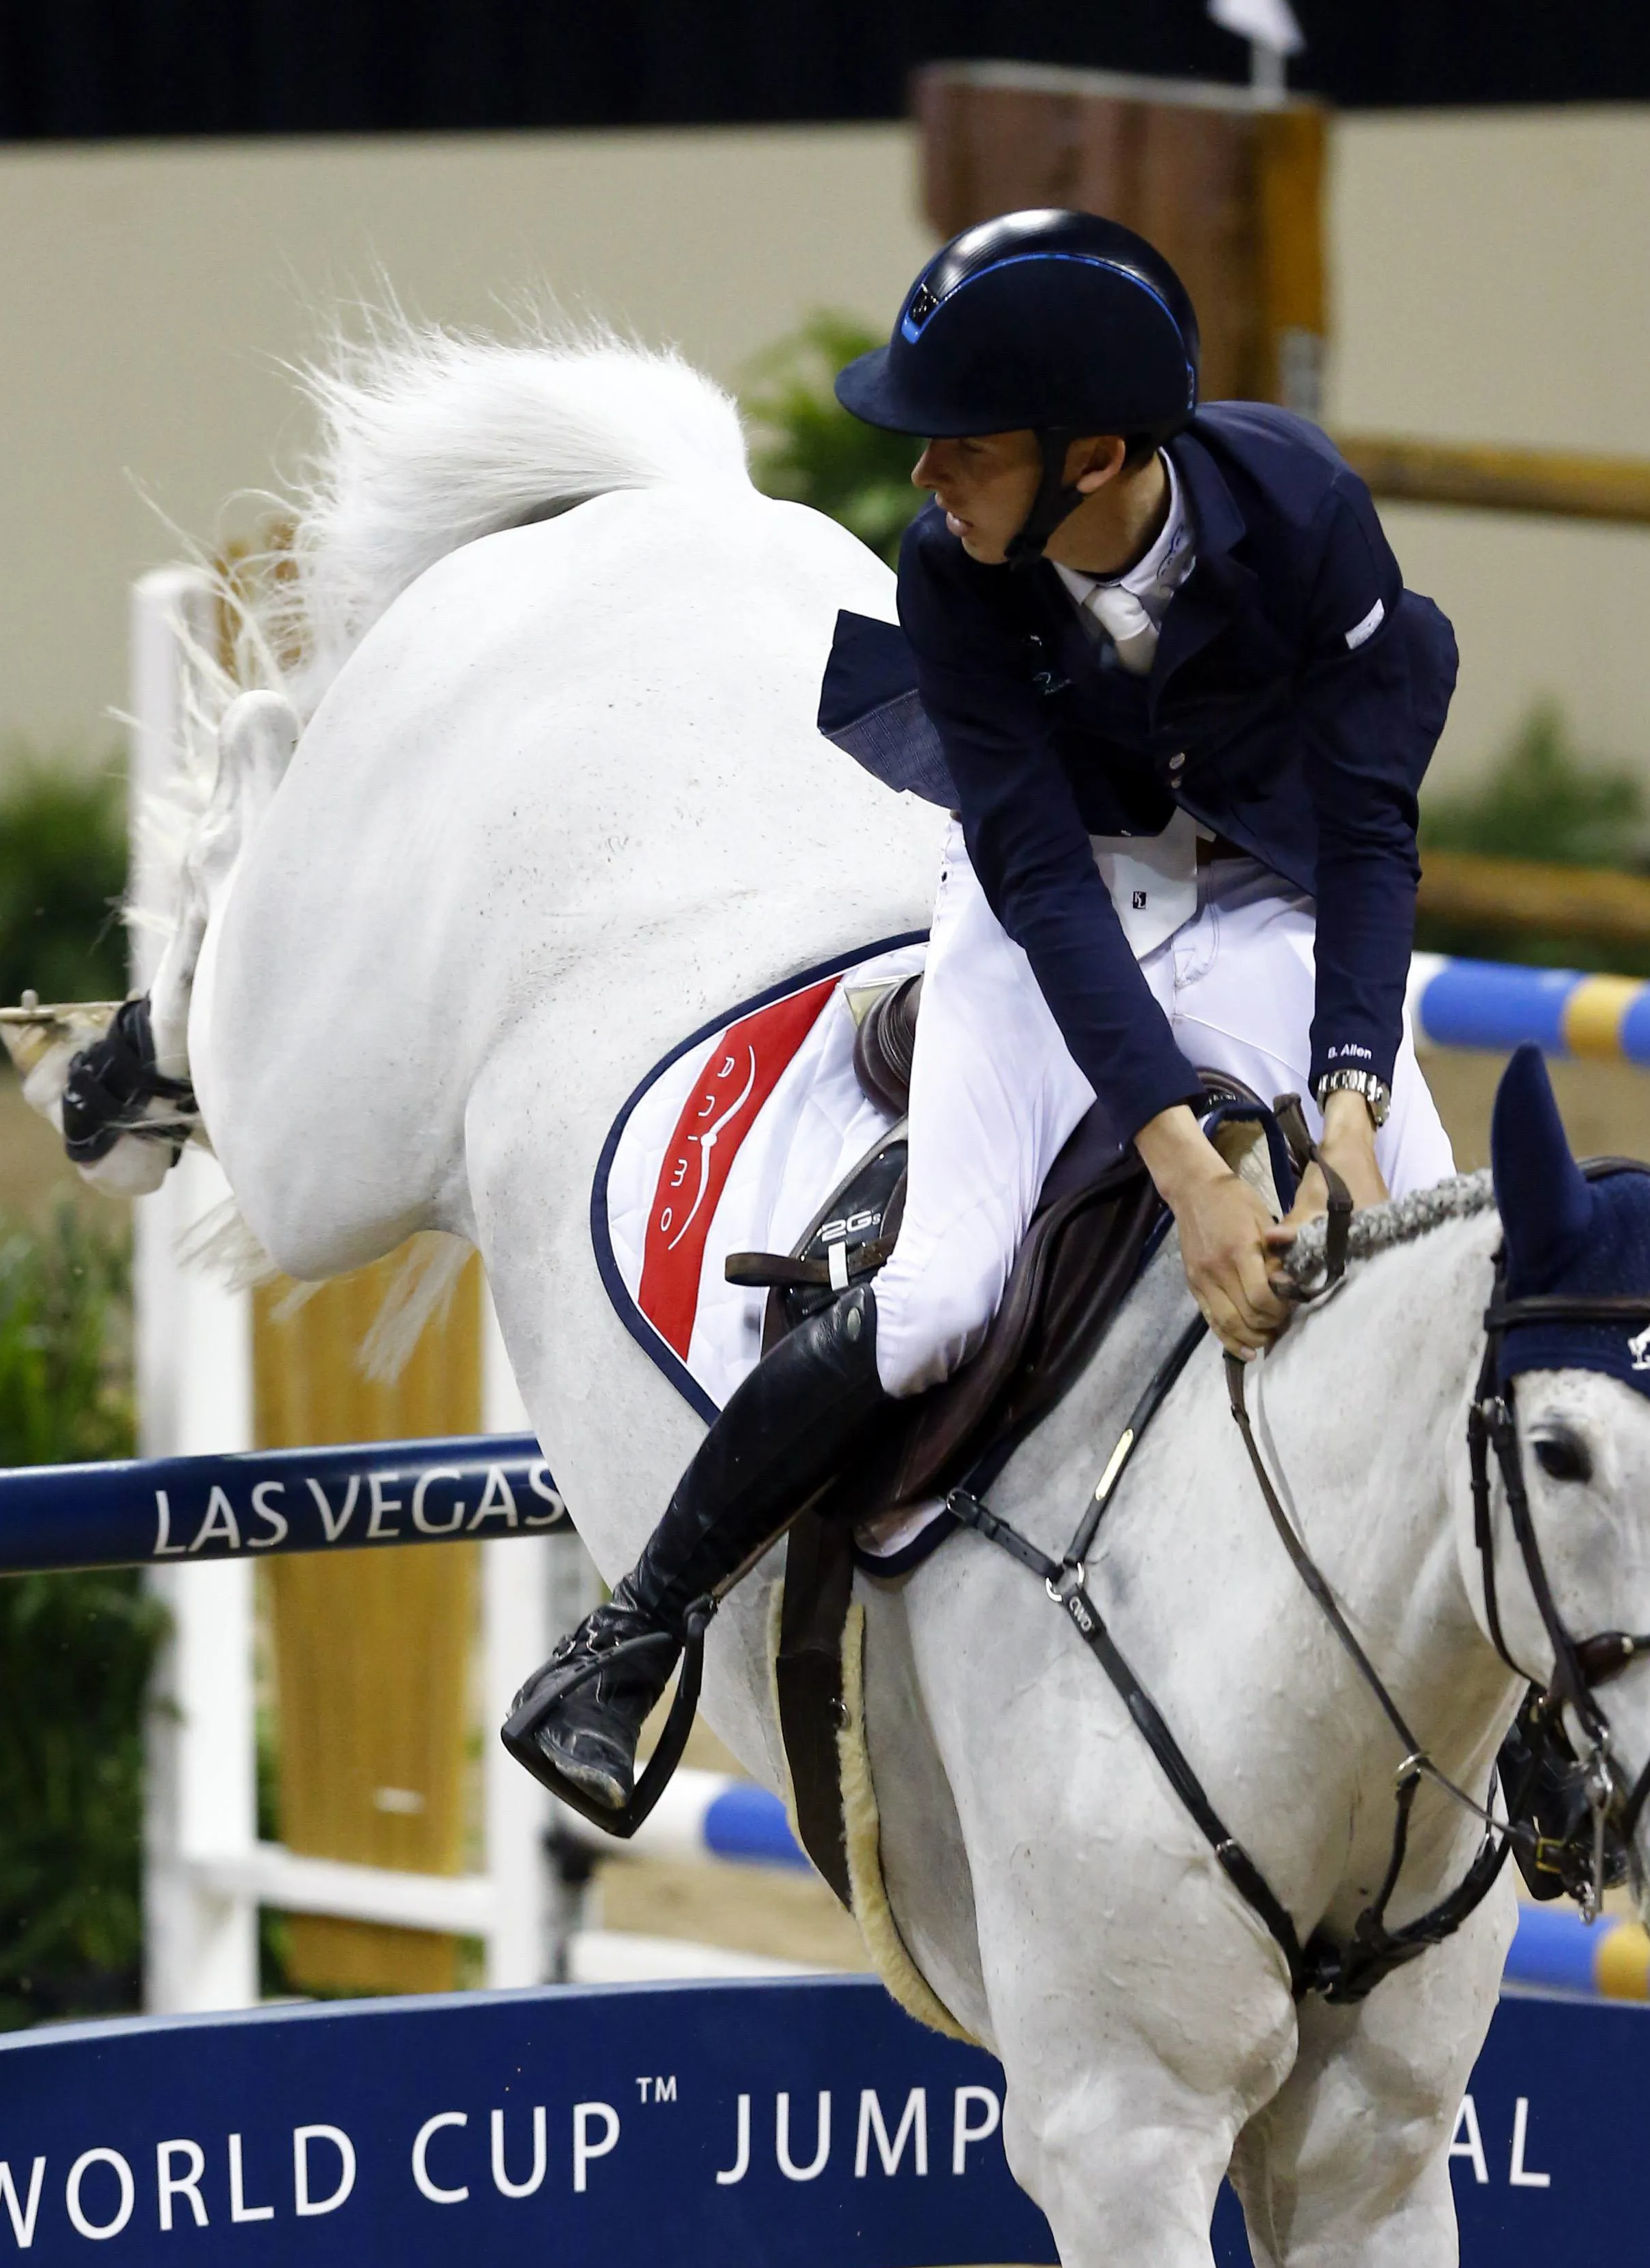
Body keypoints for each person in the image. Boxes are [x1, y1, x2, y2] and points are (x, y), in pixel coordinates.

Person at [504, 207, 1461, 1834]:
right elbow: (1040, 880)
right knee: (943, 1288)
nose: (927, 475)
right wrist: (1191, 1169)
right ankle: (635, 1631)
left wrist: (1351, 1096)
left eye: (961, 443)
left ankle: (1547, 1731)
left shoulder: (1303, 513)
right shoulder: (952, 575)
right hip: (1053, 898)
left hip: (1267, 896)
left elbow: (1371, 830)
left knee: (1426, 1249)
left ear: (1095, 457)